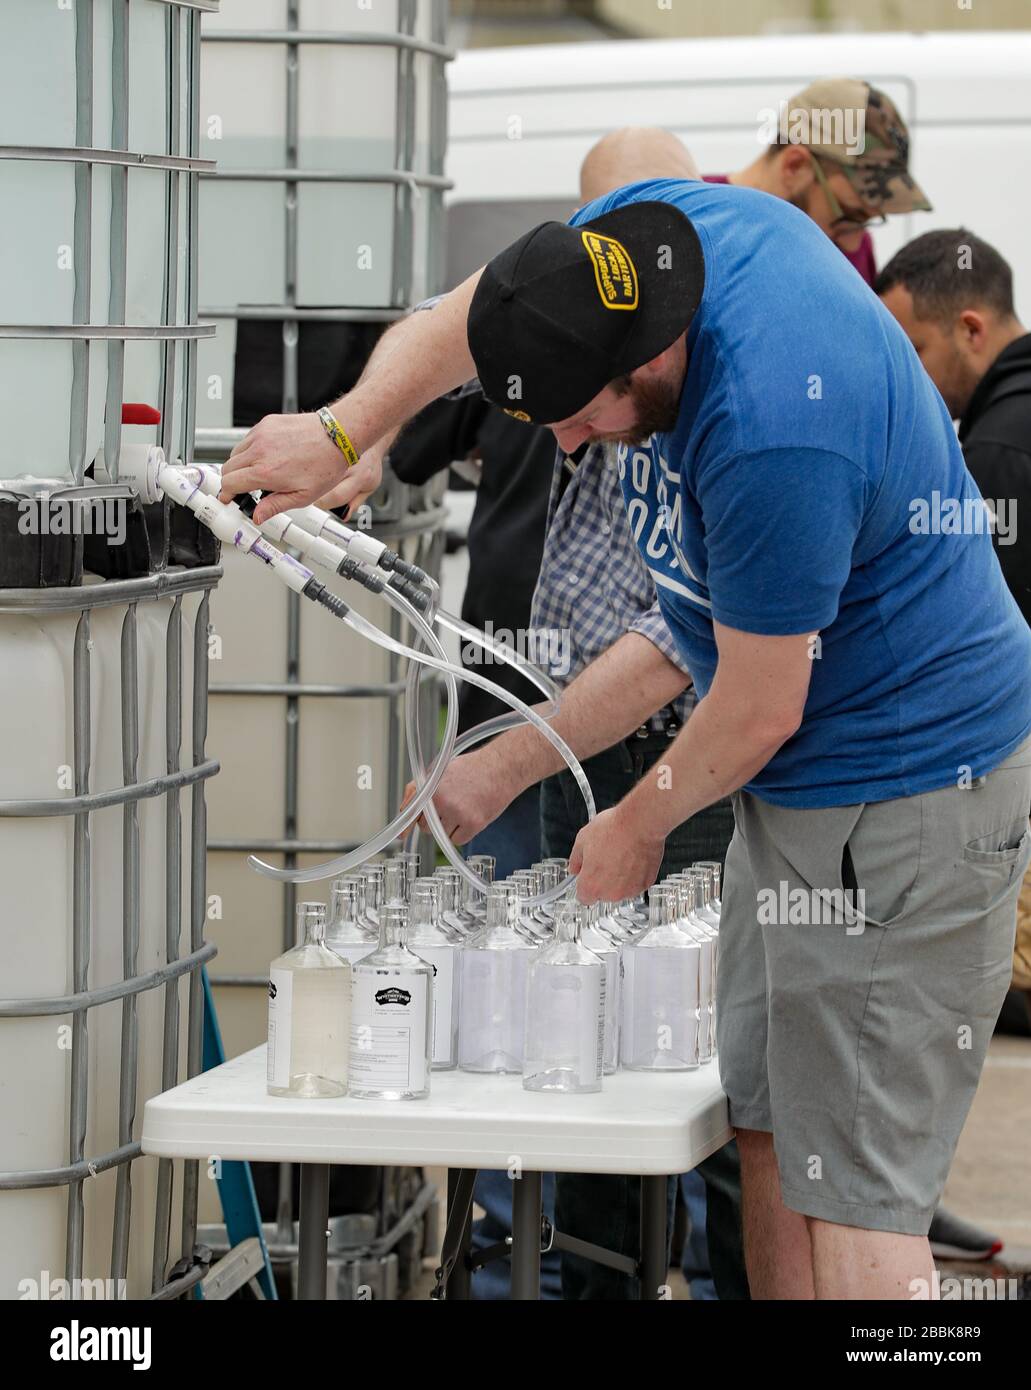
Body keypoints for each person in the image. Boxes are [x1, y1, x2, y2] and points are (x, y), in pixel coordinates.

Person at [221, 169, 1031, 1301]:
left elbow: (755, 702)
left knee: (857, 1193)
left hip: (904, 789)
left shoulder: (771, 430)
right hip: (801, 793)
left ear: (646, 358)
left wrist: (636, 824)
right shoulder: (630, 245)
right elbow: (676, 620)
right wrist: (346, 428)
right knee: (767, 1129)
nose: (563, 446)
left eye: (577, 415)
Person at [878, 229, 1031, 1197]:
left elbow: (974, 652)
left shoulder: (999, 449)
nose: (910, 379)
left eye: (917, 352)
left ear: (968, 326)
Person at [703, 77, 931, 287]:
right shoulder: (699, 222)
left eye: (867, 220)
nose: (854, 244)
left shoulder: (857, 245)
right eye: (849, 215)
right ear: (795, 166)